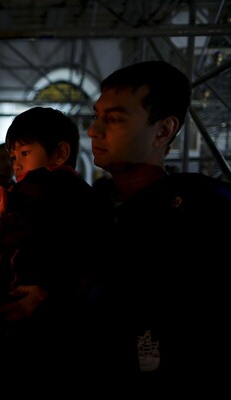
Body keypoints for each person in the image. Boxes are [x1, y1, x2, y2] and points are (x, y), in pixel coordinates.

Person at [85, 60, 231, 395]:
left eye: (114, 118)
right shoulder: (92, 204)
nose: (94, 130)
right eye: (97, 115)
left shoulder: (197, 217)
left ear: (163, 130)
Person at [0, 107, 104, 397]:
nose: (16, 164)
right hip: (14, 327)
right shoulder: (26, 198)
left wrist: (10, 199)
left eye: (24, 153)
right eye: (13, 157)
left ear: (60, 154)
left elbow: (43, 202)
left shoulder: (66, 190)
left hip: (49, 334)